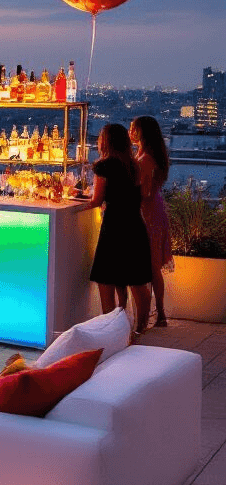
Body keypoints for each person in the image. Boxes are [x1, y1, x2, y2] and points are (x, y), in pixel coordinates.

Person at [82, 122, 152, 334]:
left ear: (106, 141)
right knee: (137, 279)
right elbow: (143, 195)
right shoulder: (136, 165)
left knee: (106, 278)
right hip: (134, 224)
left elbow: (96, 200)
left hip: (114, 226)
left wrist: (79, 199)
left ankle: (110, 329)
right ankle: (140, 327)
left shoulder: (104, 166)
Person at [131, 115, 173, 327]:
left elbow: (145, 192)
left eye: (133, 128)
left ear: (142, 133)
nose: (130, 132)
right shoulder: (150, 155)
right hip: (155, 210)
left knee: (150, 264)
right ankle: (160, 313)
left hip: (148, 213)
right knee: (153, 264)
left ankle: (154, 314)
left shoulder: (145, 159)